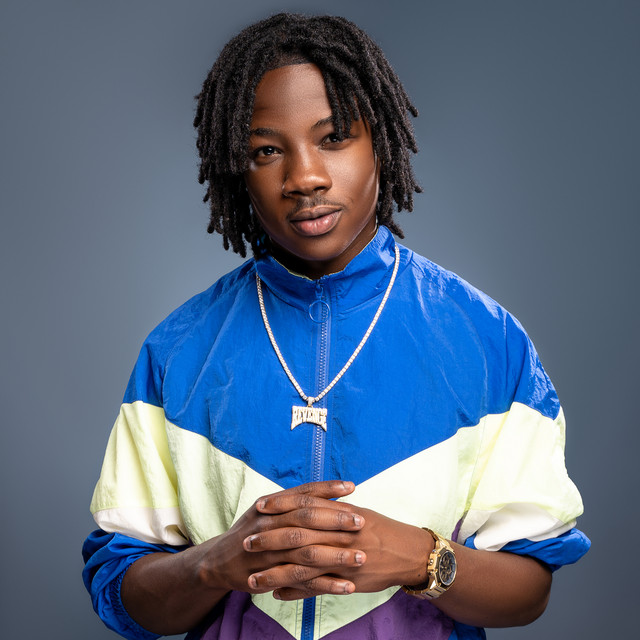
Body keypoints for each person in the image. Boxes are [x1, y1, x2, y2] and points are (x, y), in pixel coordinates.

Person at [82, 13, 589, 640]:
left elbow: (529, 590)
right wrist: (214, 563)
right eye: (267, 151)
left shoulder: (488, 341)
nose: (305, 178)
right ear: (237, 169)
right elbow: (123, 596)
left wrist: (422, 558)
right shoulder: (178, 350)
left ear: (380, 142)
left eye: (334, 138)